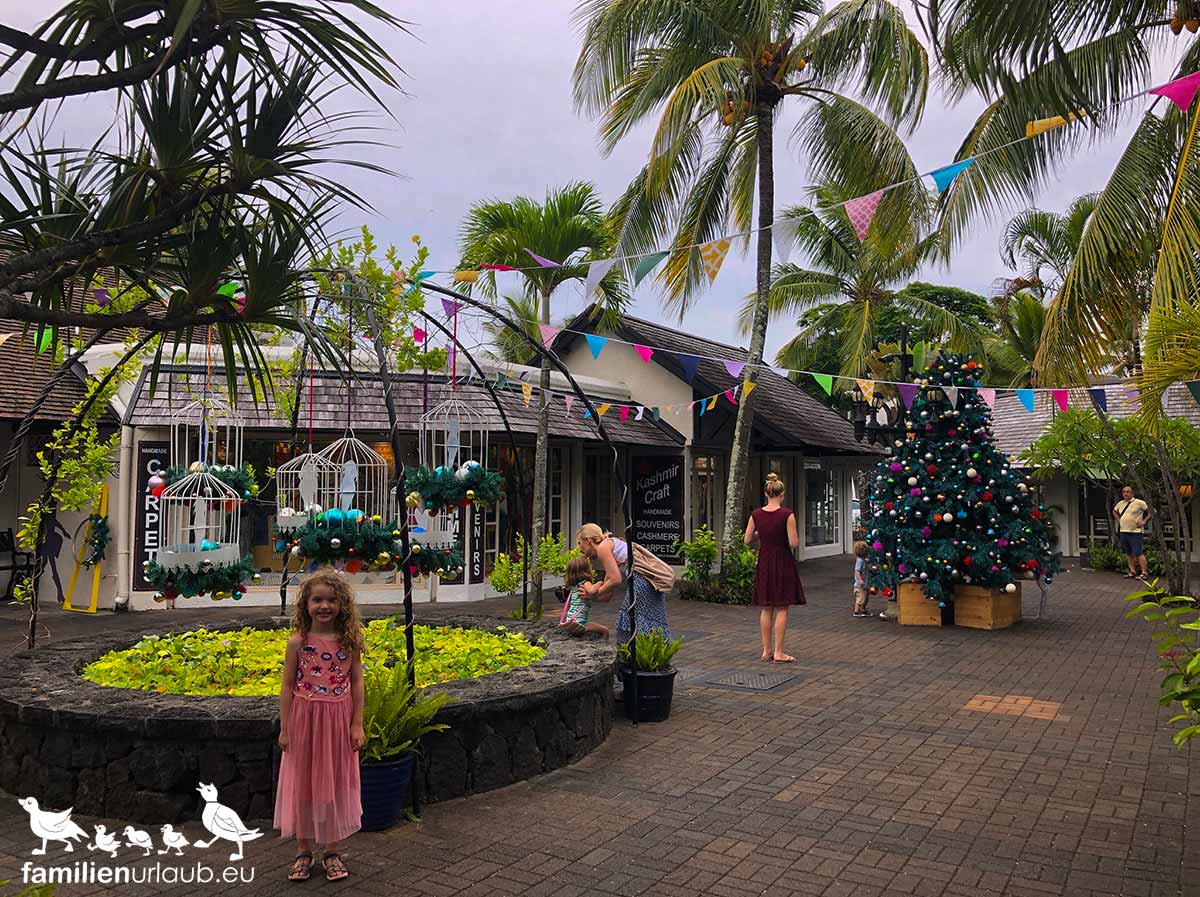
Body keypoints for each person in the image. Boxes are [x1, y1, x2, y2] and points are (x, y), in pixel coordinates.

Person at [275, 569, 364, 883]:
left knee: (334, 783)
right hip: (305, 718)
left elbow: (356, 682)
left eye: (331, 599)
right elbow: (286, 687)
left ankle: (332, 850)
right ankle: (303, 850)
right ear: (306, 605)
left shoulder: (348, 642)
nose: (324, 606)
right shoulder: (297, 642)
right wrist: (285, 728)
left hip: (337, 720)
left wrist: (357, 724)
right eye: (317, 600)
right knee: (304, 783)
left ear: (342, 604)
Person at [743, 473, 805, 663]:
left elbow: (746, 540)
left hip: (765, 560)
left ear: (766, 493)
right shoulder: (787, 515)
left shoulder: (756, 514)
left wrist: (760, 535)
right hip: (782, 560)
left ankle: (766, 650)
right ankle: (779, 652)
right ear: (782, 494)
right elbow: (794, 543)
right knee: (782, 607)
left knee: (766, 607)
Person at [576, 523, 670, 644]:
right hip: (650, 582)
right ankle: (654, 656)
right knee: (650, 623)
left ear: (588, 540)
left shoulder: (603, 548)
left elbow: (615, 580)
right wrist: (592, 595)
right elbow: (607, 594)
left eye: (580, 543)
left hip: (642, 582)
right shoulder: (611, 545)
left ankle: (627, 658)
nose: (579, 548)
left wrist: (594, 592)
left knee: (627, 626)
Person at [559, 555, 609, 638]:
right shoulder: (585, 583)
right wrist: (599, 583)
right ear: (586, 570)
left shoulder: (573, 588)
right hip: (580, 624)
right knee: (605, 631)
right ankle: (605, 647)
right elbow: (592, 591)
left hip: (570, 621)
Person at [1112, 485, 1152, 579]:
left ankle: (1144, 573)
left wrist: (1144, 521)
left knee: (1138, 552)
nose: (1125, 493)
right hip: (1123, 531)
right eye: (1124, 492)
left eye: (1128, 492)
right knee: (1128, 552)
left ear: (1132, 493)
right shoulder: (1120, 503)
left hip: (1135, 532)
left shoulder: (1139, 502)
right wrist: (1119, 520)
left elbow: (1152, 511)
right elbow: (1114, 511)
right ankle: (1132, 571)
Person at [852, 540, 870, 617]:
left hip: (865, 584)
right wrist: (860, 580)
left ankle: (863, 610)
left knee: (865, 598)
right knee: (860, 599)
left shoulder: (863, 560)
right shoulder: (860, 561)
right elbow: (857, 571)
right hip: (860, 586)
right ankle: (856, 612)